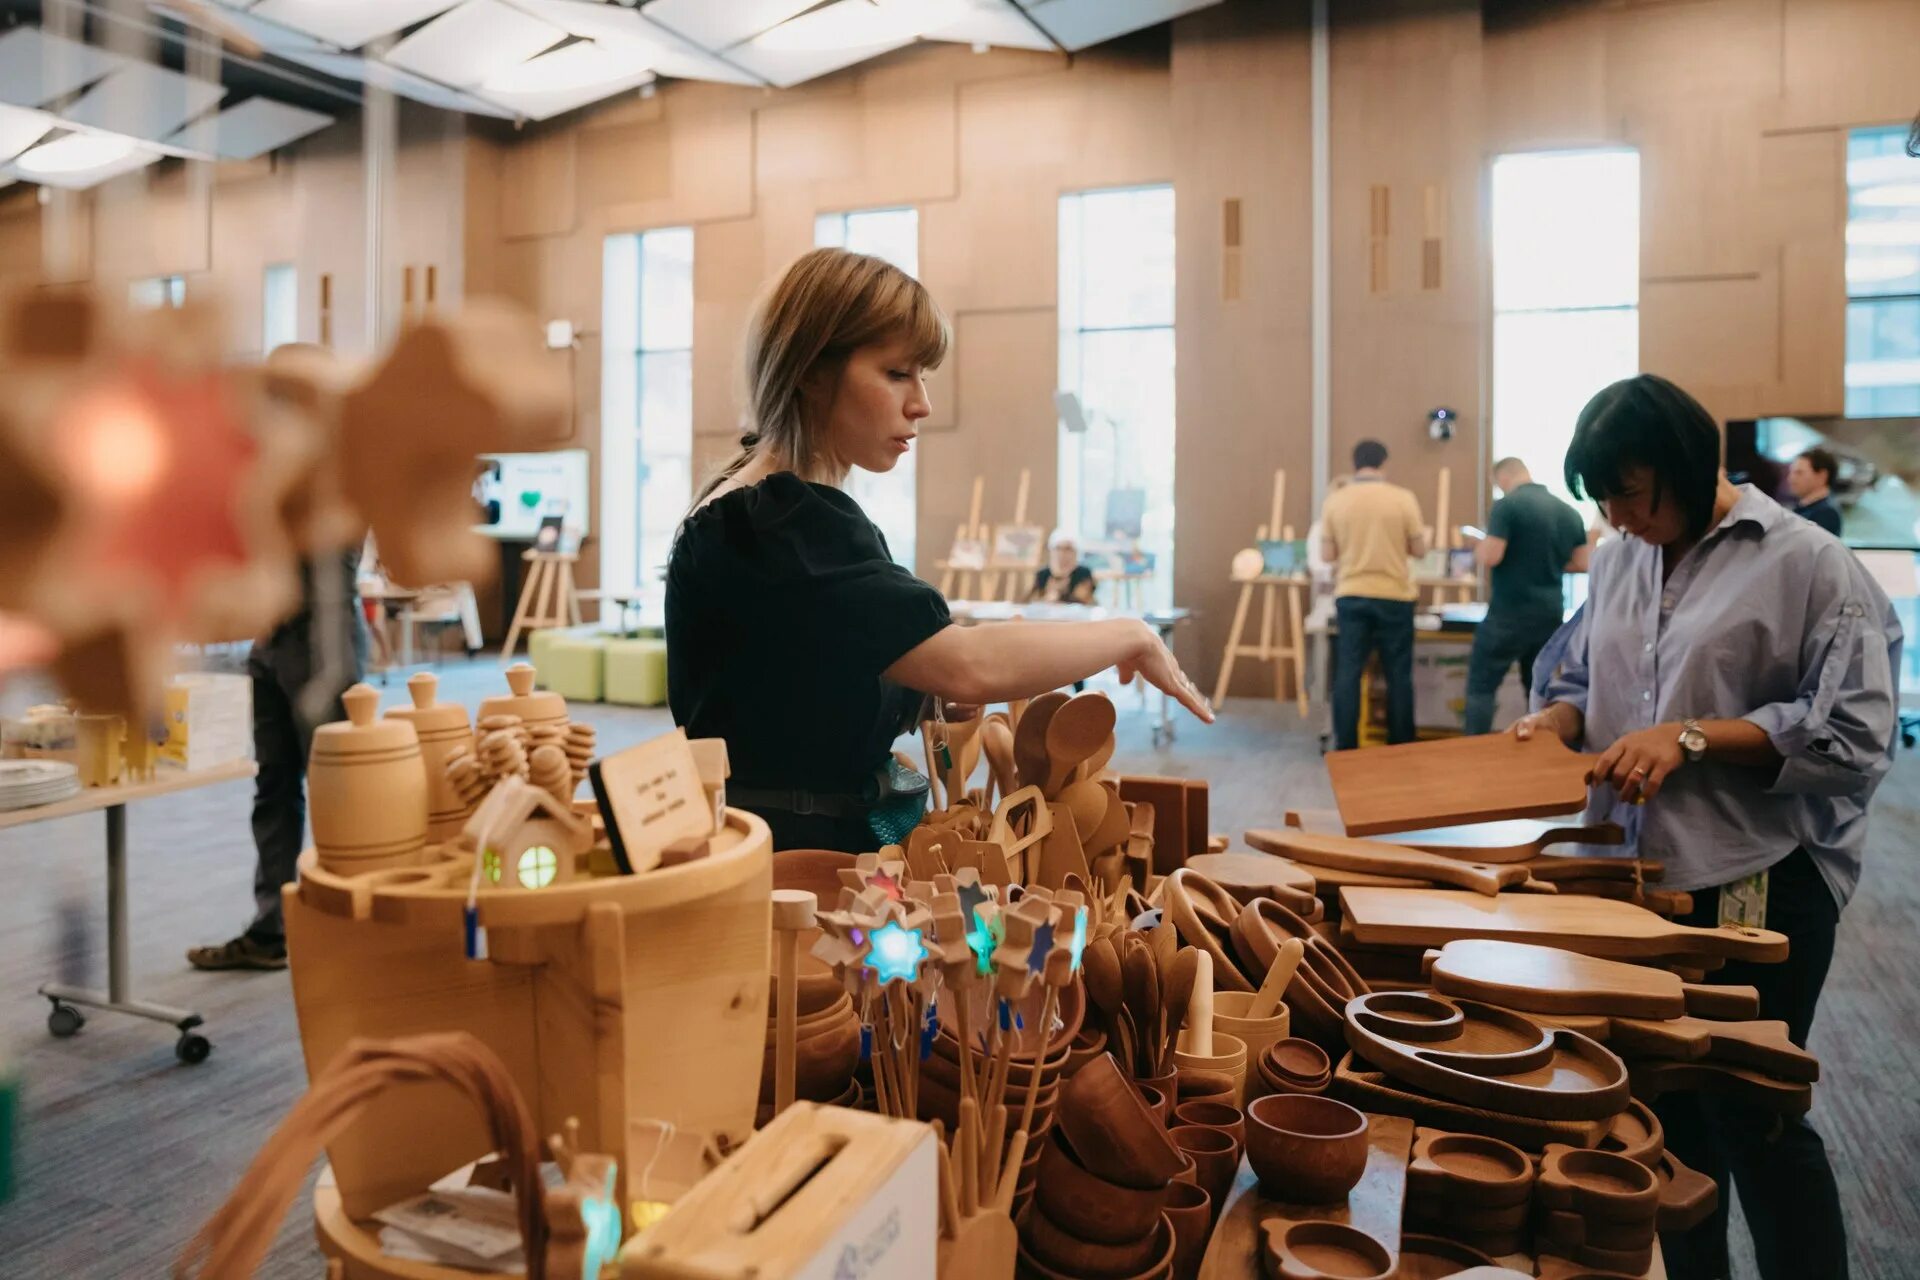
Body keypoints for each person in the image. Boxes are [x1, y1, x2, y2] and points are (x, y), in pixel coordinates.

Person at [1514, 373, 1900, 1280]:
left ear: (1689, 467)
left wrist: (1690, 739)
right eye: (1601, 497)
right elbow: (1578, 682)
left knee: (1755, 1114)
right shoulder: (1619, 556)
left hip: (1756, 875)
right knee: (1667, 1122)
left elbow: (1854, 735)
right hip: (1638, 880)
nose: (1615, 514)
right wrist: (1558, 722)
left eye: (1631, 493)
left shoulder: (1804, 561)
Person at [666, 248, 1211, 853]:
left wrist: (916, 692)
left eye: (921, 375)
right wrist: (1130, 634)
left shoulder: (764, 502)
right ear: (812, 371)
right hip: (792, 859)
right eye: (898, 373)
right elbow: (968, 663)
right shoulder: (780, 519)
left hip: (775, 840)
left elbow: (794, 677)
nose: (921, 402)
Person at [187, 547, 368, 970]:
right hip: (270, 636)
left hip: (323, 634)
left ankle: (354, 933)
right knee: (273, 785)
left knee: (338, 792)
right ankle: (272, 931)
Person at [1461, 457, 1589, 734]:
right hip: (1550, 614)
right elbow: (1582, 563)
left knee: (1481, 687)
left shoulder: (1507, 506)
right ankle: (1538, 751)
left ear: (1502, 479)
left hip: (1508, 613)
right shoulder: (1568, 511)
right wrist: (1546, 562)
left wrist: (1477, 546)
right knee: (1538, 690)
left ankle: (1473, 753)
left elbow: (1492, 556)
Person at [1321, 440, 1426, 748]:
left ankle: (1346, 746)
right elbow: (1419, 549)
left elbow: (1328, 554)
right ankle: (1401, 743)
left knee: (1348, 672)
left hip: (1351, 594)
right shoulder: (1403, 499)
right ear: (1384, 463)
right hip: (1395, 596)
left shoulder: (1336, 501)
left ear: (1355, 464)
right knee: (1398, 674)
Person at [1787, 446, 1843, 536]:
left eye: (1799, 473)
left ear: (1822, 476)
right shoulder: (1803, 508)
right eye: (1791, 472)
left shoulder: (1826, 514)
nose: (1791, 478)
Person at [1029, 532, 1097, 605]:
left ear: (1075, 553)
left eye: (1068, 549)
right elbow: (1032, 602)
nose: (1062, 554)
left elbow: (1086, 600)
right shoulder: (1043, 574)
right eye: (1058, 548)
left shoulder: (1083, 573)